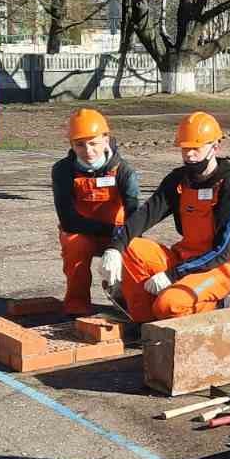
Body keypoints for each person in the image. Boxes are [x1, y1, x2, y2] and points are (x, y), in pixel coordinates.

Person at [100, 111, 230, 323]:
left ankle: (214, 304)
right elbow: (146, 214)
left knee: (168, 305)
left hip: (215, 269)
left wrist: (172, 275)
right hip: (182, 258)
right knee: (130, 247)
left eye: (196, 149)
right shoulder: (178, 180)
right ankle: (144, 323)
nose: (189, 155)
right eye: (185, 149)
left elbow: (223, 251)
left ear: (215, 147)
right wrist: (115, 247)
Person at [51, 108, 141, 315]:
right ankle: (77, 304)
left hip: (119, 232)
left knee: (137, 248)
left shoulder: (124, 171)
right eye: (79, 145)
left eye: (93, 143)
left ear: (106, 139)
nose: (88, 151)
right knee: (76, 245)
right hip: (82, 232)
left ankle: (129, 298)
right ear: (71, 145)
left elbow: (135, 214)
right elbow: (68, 220)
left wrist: (119, 243)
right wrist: (111, 231)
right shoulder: (63, 170)